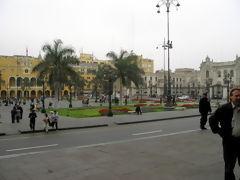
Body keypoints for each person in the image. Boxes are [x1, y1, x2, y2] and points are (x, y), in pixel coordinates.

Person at [209, 88, 240, 180]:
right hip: (230, 142)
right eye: (236, 95)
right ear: (231, 97)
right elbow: (212, 119)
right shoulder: (224, 108)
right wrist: (220, 132)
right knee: (229, 168)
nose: (239, 97)